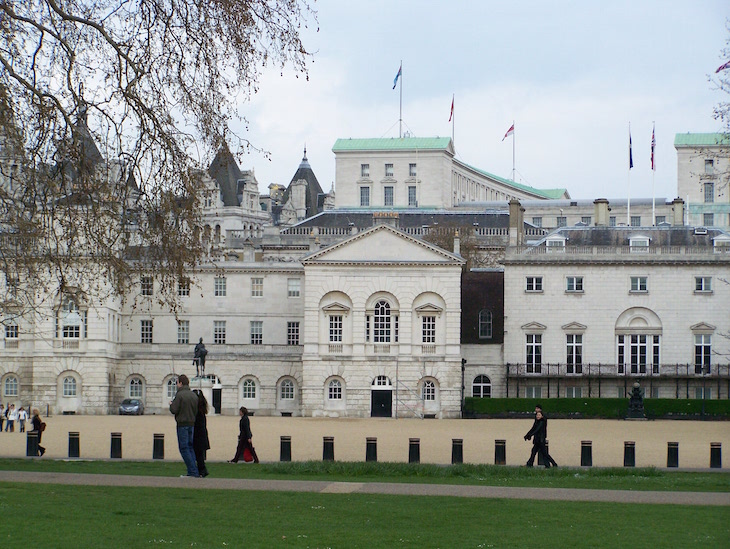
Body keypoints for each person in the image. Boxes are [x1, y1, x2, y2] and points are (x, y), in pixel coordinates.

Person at [169, 374, 200, 477]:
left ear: (181, 383)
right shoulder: (193, 395)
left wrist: (171, 404)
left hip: (182, 424)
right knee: (190, 448)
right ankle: (193, 470)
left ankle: (193, 472)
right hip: (191, 423)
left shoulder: (180, 395)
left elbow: (174, 410)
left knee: (184, 448)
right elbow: (195, 411)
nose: (177, 385)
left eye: (177, 382)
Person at [192, 390, 210, 477]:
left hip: (198, 434)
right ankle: (202, 470)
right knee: (199, 455)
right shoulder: (202, 409)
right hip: (202, 433)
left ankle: (202, 470)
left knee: (198, 455)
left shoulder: (197, 410)